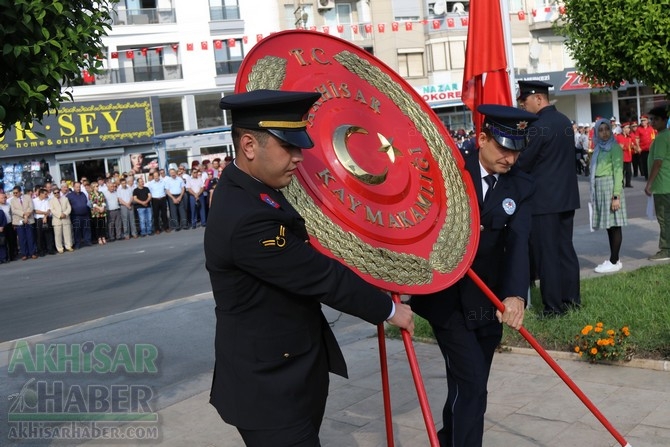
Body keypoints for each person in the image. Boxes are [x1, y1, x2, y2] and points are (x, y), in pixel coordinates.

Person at [204, 89, 414, 447]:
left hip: (288, 373)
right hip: (268, 392)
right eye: (289, 147)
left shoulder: (253, 188)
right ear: (250, 145)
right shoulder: (247, 218)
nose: (300, 158)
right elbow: (320, 276)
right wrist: (390, 310)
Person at [411, 105, 536, 447]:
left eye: (516, 150)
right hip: (447, 300)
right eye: (503, 147)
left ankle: (448, 437)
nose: (510, 158)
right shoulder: (449, 169)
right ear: (482, 138)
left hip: (487, 302)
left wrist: (515, 294)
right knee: (472, 385)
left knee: (466, 384)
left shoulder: (521, 186)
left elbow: (518, 242)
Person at [516, 80, 581, 317]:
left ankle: (553, 307)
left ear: (538, 99)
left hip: (544, 202)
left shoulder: (538, 126)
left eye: (525, 102)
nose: (523, 107)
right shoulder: (563, 121)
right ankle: (572, 300)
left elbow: (523, 161)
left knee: (547, 254)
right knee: (565, 250)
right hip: (566, 198)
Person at [590, 118, 628, 273]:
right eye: (601, 130)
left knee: (615, 226)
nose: (604, 133)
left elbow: (618, 172)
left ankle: (613, 260)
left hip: (611, 187)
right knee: (609, 226)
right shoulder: (599, 148)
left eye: (607, 129)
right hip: (600, 188)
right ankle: (615, 258)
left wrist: (616, 196)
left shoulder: (614, 148)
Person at [644, 104, 670, 261]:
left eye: (655, 119)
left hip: (662, 185)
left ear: (664, 120)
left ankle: (666, 248)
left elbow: (658, 162)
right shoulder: (666, 135)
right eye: (651, 119)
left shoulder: (661, 138)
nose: (652, 122)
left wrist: (649, 183)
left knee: (664, 218)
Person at [10, 186, 37, 260]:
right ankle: (24, 254)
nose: (15, 194)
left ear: (20, 192)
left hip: (29, 219)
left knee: (30, 237)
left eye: (16, 193)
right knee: (22, 238)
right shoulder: (12, 200)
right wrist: (23, 214)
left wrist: (27, 215)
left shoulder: (27, 197)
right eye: (14, 193)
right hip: (19, 221)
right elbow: (14, 210)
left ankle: (33, 253)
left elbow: (31, 207)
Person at [49, 186, 73, 253]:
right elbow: (52, 210)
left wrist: (65, 214)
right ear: (53, 193)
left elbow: (69, 207)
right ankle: (60, 248)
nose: (57, 194)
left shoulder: (65, 198)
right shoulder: (51, 201)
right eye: (55, 193)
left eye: (58, 192)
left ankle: (68, 246)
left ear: (60, 192)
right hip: (57, 220)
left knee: (67, 233)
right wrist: (59, 215)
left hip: (66, 218)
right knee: (58, 235)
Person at [68, 182, 92, 249]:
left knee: (86, 228)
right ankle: (78, 243)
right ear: (73, 187)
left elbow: (87, 202)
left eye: (79, 187)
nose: (78, 188)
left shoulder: (83, 194)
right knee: (77, 230)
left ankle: (87, 241)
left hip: (85, 214)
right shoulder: (69, 196)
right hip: (76, 215)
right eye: (77, 187)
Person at [637, 115, 657, 180]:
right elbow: (637, 139)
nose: (643, 122)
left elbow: (654, 138)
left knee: (652, 162)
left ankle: (652, 175)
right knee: (645, 163)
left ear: (647, 121)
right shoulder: (639, 129)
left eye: (644, 120)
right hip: (643, 149)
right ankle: (647, 176)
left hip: (651, 148)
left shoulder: (651, 128)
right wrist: (638, 147)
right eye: (641, 120)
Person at [616, 122, 635, 188]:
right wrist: (628, 146)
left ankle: (628, 183)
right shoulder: (619, 136)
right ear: (623, 129)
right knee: (622, 172)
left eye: (629, 128)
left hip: (628, 156)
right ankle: (621, 184)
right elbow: (621, 147)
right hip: (621, 157)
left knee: (629, 172)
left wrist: (632, 147)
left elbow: (632, 145)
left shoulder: (629, 137)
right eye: (627, 128)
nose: (629, 129)